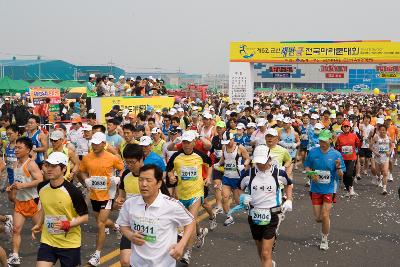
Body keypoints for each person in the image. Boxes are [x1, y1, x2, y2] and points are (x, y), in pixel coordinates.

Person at [117, 164, 195, 267]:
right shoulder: (130, 203)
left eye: (148, 180)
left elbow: (190, 222)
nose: (143, 184)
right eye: (140, 180)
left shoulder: (171, 205)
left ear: (159, 183)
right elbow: (123, 225)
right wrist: (131, 236)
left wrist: (181, 244)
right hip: (136, 263)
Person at [31, 152, 89, 267]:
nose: (49, 169)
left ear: (63, 169)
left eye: (53, 166)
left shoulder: (73, 192)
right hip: (48, 240)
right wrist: (39, 223)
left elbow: (85, 217)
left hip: (69, 244)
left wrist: (68, 224)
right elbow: (45, 207)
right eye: (47, 165)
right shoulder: (42, 187)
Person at [241, 145, 293, 267]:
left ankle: (267, 261)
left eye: (262, 161)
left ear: (269, 159)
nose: (260, 165)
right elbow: (239, 188)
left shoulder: (279, 173)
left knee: (265, 253)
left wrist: (289, 199)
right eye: (258, 162)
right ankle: (269, 263)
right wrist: (242, 198)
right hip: (254, 216)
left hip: (272, 215)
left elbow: (288, 185)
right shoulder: (248, 174)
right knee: (261, 252)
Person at [166, 131, 212, 264]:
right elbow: (169, 169)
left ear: (194, 143)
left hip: (196, 194)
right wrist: (171, 176)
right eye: (184, 142)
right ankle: (200, 232)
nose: (186, 145)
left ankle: (188, 252)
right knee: (190, 221)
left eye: (189, 142)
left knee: (189, 222)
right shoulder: (176, 156)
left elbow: (209, 164)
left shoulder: (200, 155)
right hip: (181, 194)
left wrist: (208, 177)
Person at [79, 132, 124, 266]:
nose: (94, 145)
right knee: (101, 220)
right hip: (94, 194)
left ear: (104, 144)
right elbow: (82, 170)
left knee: (100, 224)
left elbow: (122, 168)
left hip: (108, 194)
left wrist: (118, 178)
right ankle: (116, 226)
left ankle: (97, 254)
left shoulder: (112, 157)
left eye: (97, 143)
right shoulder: (87, 157)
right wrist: (86, 179)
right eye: (93, 143)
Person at [304, 130, 345, 251]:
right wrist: (311, 174)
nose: (322, 143)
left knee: (325, 214)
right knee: (318, 218)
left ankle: (324, 239)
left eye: (324, 140)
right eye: (320, 140)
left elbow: (341, 175)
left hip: (329, 188)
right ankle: (325, 222)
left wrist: (338, 167)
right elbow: (307, 166)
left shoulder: (336, 154)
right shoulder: (313, 152)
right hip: (315, 188)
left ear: (330, 140)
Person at [7, 137, 44, 266]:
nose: (16, 150)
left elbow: (40, 180)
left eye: (19, 147)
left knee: (41, 230)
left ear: (28, 150)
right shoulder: (15, 164)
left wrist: (23, 186)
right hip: (20, 202)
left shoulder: (31, 164)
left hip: (32, 201)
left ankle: (53, 250)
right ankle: (15, 256)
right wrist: (11, 188)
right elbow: (17, 182)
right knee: (16, 230)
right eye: (15, 147)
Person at [115, 144, 144, 267]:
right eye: (127, 162)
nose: (129, 165)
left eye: (132, 162)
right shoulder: (126, 174)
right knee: (125, 261)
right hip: (130, 224)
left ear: (141, 159)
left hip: (148, 225)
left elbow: (164, 198)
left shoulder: (150, 174)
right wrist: (120, 199)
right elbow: (122, 195)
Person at [215, 132, 250, 226]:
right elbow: (224, 157)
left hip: (237, 177)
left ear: (232, 139)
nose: (226, 144)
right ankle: (229, 217)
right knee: (225, 197)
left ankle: (251, 210)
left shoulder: (240, 147)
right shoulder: (224, 147)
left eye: (228, 141)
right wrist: (219, 163)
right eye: (225, 142)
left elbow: (247, 158)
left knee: (238, 201)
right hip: (226, 177)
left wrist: (244, 165)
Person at [336, 121, 361, 196]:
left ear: (350, 127)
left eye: (347, 126)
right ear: (342, 128)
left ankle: (351, 188)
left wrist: (360, 139)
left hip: (351, 157)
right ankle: (348, 189)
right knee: (344, 175)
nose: (346, 128)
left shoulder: (354, 135)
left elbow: (358, 145)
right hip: (343, 158)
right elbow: (337, 147)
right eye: (344, 126)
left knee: (349, 174)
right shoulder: (339, 137)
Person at [370, 123, 393, 195]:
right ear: (379, 131)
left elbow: (392, 145)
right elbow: (370, 146)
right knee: (378, 172)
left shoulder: (388, 137)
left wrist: (389, 151)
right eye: (381, 130)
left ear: (386, 131)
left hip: (385, 157)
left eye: (384, 130)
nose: (382, 132)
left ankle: (384, 189)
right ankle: (379, 178)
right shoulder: (376, 137)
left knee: (385, 172)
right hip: (377, 158)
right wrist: (375, 152)